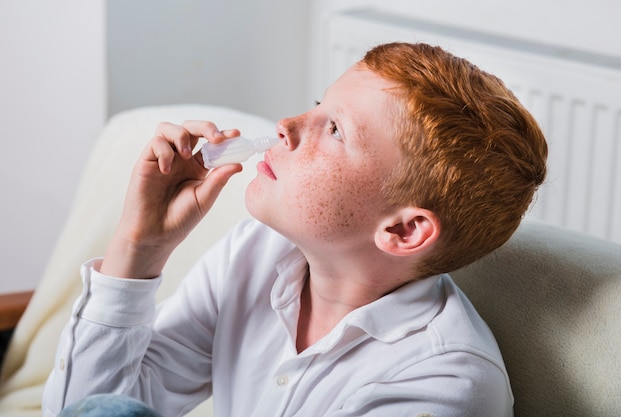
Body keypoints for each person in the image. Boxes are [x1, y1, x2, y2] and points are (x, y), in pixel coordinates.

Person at [43, 42, 548, 417]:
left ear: (403, 230)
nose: (286, 124)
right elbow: (88, 406)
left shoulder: (442, 384)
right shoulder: (255, 254)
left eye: (334, 130)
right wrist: (141, 246)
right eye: (318, 105)